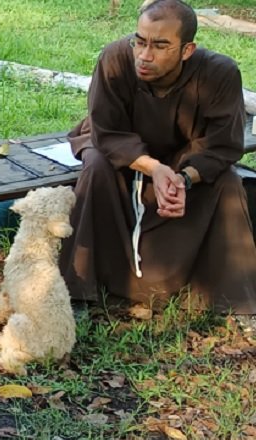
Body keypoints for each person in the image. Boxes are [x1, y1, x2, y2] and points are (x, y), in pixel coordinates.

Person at [59, 0, 256, 324]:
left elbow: (222, 146)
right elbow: (106, 132)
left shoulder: (220, 74)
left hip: (183, 159)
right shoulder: (115, 59)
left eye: (160, 45)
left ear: (187, 49)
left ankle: (235, 300)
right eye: (140, 41)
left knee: (229, 182)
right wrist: (154, 168)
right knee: (95, 168)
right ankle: (78, 289)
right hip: (121, 155)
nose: (145, 55)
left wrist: (184, 178)